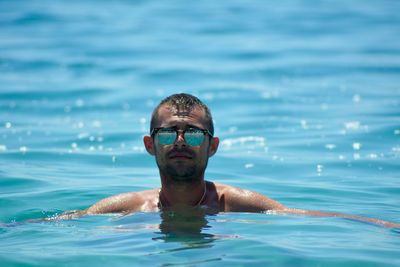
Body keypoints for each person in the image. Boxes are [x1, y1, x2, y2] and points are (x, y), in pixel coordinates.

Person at [68, 93, 399, 228]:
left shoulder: (233, 203)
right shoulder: (124, 208)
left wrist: (382, 225)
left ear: (212, 146)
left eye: (193, 134)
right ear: (150, 145)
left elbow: (304, 216)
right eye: (168, 134)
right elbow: (64, 224)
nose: (180, 142)